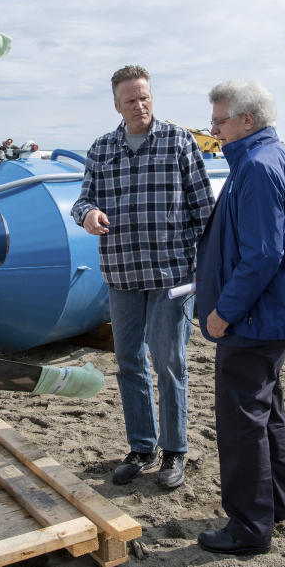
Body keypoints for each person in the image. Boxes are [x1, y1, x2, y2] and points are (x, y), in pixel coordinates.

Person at [194, 79, 285, 554]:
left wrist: (223, 313)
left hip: (252, 320)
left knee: (242, 421)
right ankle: (275, 503)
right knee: (266, 413)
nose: (213, 130)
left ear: (247, 120)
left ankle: (248, 527)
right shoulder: (275, 156)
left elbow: (262, 255)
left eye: (219, 120)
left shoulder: (257, 167)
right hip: (271, 317)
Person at [71, 65, 214, 489]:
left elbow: (204, 208)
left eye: (145, 97)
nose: (140, 105)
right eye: (131, 100)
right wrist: (88, 215)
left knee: (170, 363)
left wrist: (209, 268)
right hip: (121, 272)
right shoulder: (101, 149)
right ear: (117, 105)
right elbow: (83, 201)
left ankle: (175, 452)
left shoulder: (178, 141)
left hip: (171, 273)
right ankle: (142, 447)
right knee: (128, 362)